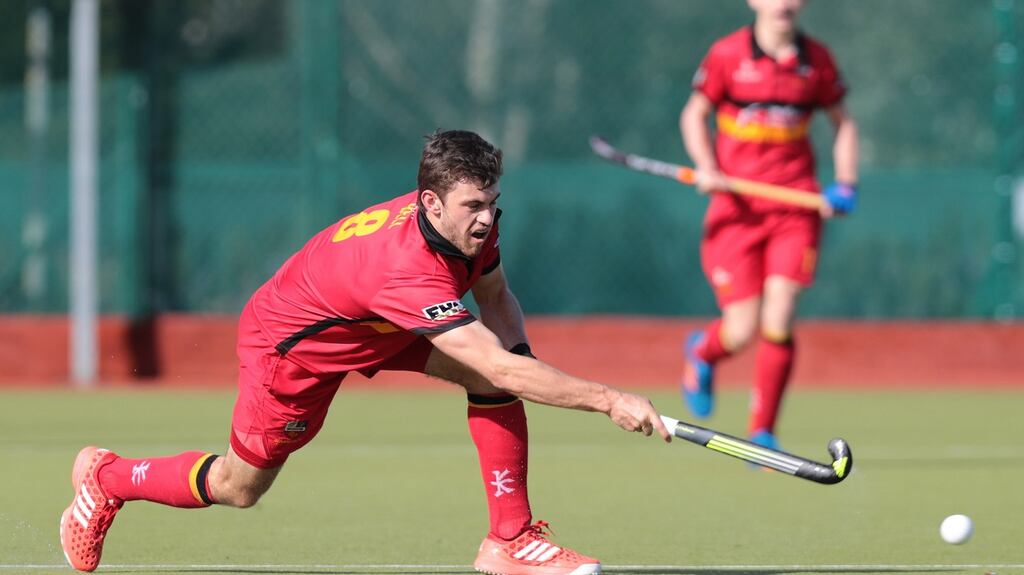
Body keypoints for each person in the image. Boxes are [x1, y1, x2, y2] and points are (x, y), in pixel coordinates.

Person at [59, 130, 671, 575]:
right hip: (295, 346)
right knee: (239, 486)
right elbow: (497, 361)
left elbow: (498, 297)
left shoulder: (468, 228)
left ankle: (508, 540)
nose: (487, 219)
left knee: (495, 381)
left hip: (372, 323)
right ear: (430, 203)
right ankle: (107, 477)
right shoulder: (406, 270)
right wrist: (606, 398)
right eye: (473, 208)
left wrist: (522, 363)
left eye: (492, 203)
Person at [678, 0, 859, 450]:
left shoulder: (815, 61)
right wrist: (705, 165)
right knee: (740, 329)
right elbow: (693, 115)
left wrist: (846, 183)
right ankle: (702, 353)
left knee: (779, 317)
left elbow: (844, 124)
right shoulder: (727, 55)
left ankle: (763, 432)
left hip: (794, 210)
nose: (786, 3)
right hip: (735, 211)